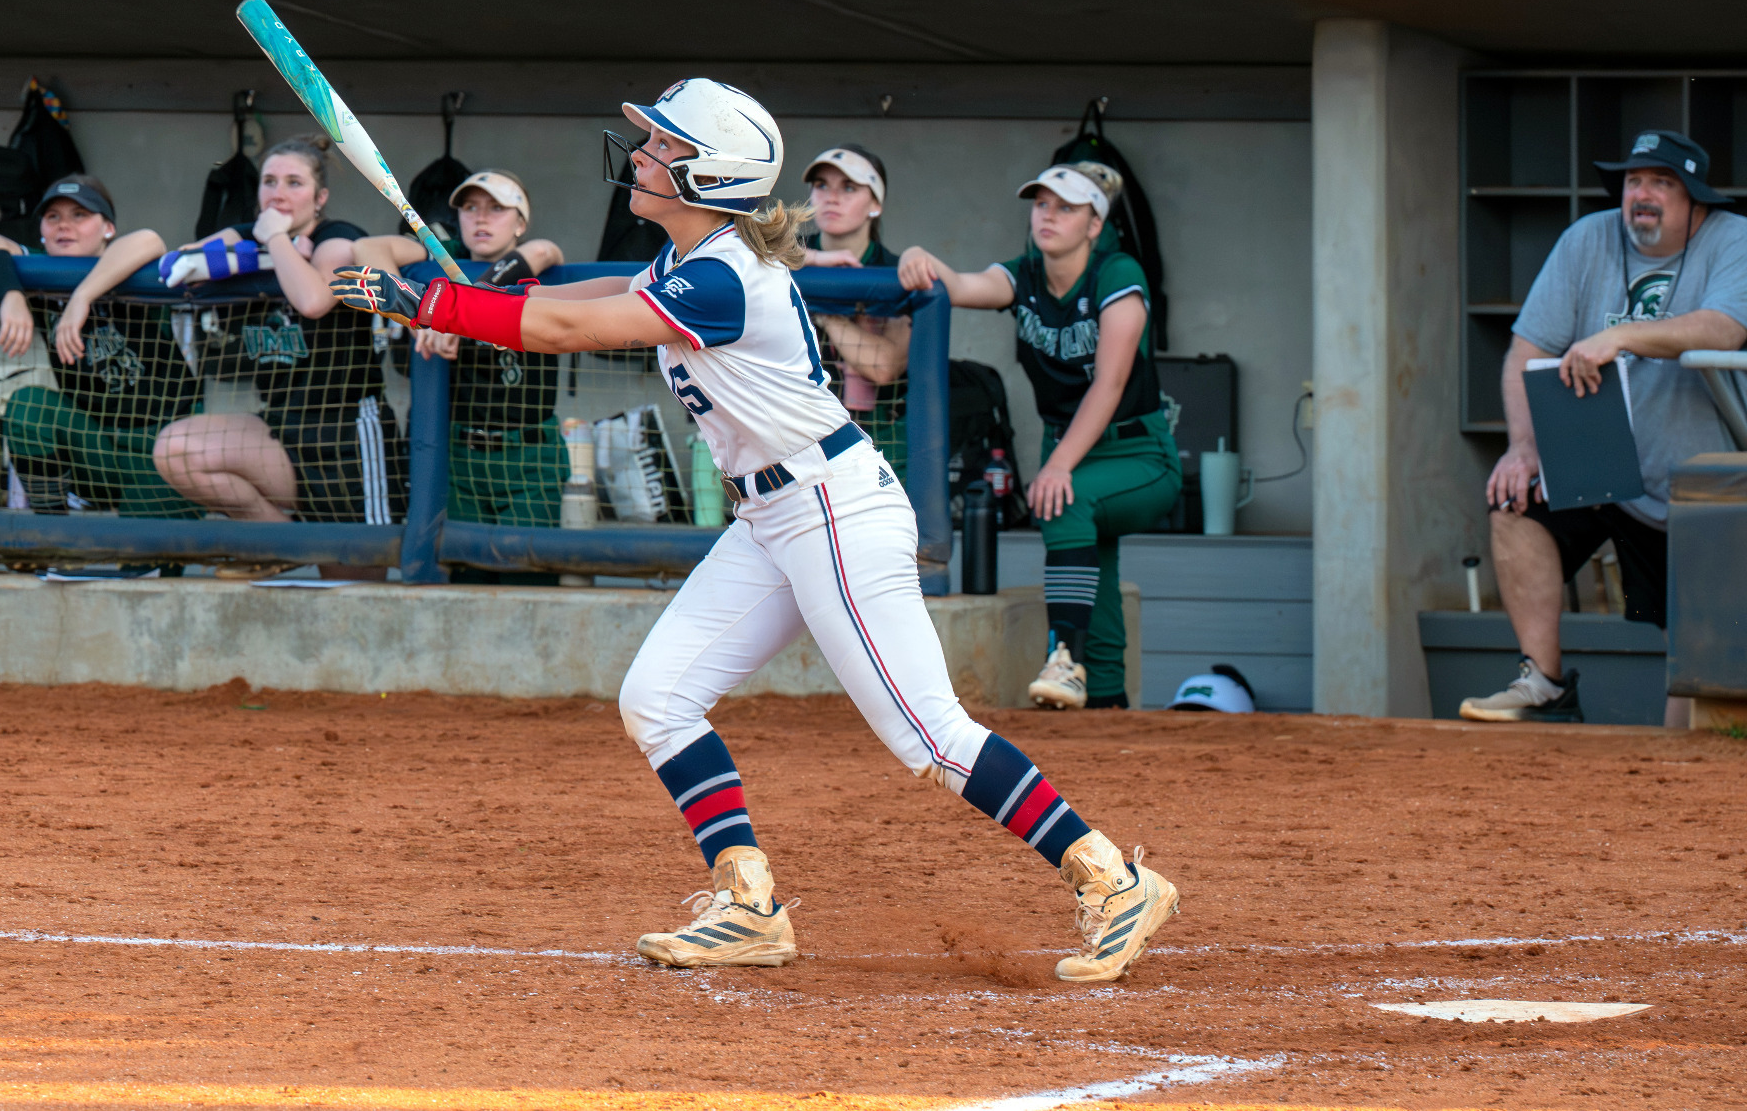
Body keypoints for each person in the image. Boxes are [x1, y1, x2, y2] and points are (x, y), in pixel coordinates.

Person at [330, 78, 1178, 982]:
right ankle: (747, 906)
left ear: (710, 175)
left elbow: (572, 325)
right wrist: (479, 292)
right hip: (772, 515)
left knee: (929, 737)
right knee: (658, 699)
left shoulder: (722, 277)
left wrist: (433, 302)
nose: (643, 156)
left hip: (832, 509)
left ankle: (1112, 877)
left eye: (664, 147)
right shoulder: (688, 261)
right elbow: (585, 294)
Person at [1464, 129, 1747, 725]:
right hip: (1599, 458)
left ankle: (1683, 774)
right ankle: (1543, 684)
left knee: (1698, 678)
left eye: (1662, 183)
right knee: (1514, 501)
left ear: (1696, 201)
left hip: (1695, 484)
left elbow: (1723, 329)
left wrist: (1618, 336)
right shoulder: (1587, 238)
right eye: (1633, 181)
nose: (1642, 194)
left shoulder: (1734, 238)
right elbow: (1525, 353)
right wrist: (1523, 447)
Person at [899, 162, 1179, 712]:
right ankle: (1106, 699)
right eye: (1042, 204)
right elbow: (960, 285)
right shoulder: (1023, 274)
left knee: (1065, 503)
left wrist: (1059, 465)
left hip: (1138, 451)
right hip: (1068, 445)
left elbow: (1110, 383)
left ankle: (1064, 659)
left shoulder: (1118, 273)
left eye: (1066, 208)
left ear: (1094, 225)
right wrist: (917, 256)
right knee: (1095, 567)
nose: (1048, 215)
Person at [145, 135, 411, 579]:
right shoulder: (248, 238)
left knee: (353, 593)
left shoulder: (338, 238)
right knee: (176, 449)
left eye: (294, 182)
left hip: (346, 435)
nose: (278, 193)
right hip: (280, 430)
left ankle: (305, 553)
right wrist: (256, 253)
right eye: (269, 182)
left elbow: (313, 301)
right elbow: (176, 266)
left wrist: (275, 241)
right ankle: (286, 546)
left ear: (320, 198)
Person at [0, 175, 203, 517]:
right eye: (53, 216)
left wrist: (82, 298)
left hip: (164, 445)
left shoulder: (129, 262)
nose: (65, 225)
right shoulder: (39, 271)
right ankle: (50, 531)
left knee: (140, 545)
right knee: (28, 405)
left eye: (80, 215)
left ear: (108, 228)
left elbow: (150, 240)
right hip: (95, 444)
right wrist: (11, 295)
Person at [408, 170, 569, 535]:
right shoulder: (440, 264)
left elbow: (544, 250)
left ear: (520, 223)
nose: (481, 218)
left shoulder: (536, 262)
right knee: (460, 561)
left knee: (526, 560)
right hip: (458, 451)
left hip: (529, 453)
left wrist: (457, 313)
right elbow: (371, 250)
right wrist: (418, 320)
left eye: (497, 208)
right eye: (470, 207)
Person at [798, 145, 911, 476]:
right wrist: (809, 261)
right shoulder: (779, 252)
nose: (832, 198)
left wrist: (824, 311)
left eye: (848, 188)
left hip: (880, 436)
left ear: (875, 204)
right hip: (797, 431)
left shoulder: (894, 271)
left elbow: (883, 367)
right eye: (822, 185)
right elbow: (734, 251)